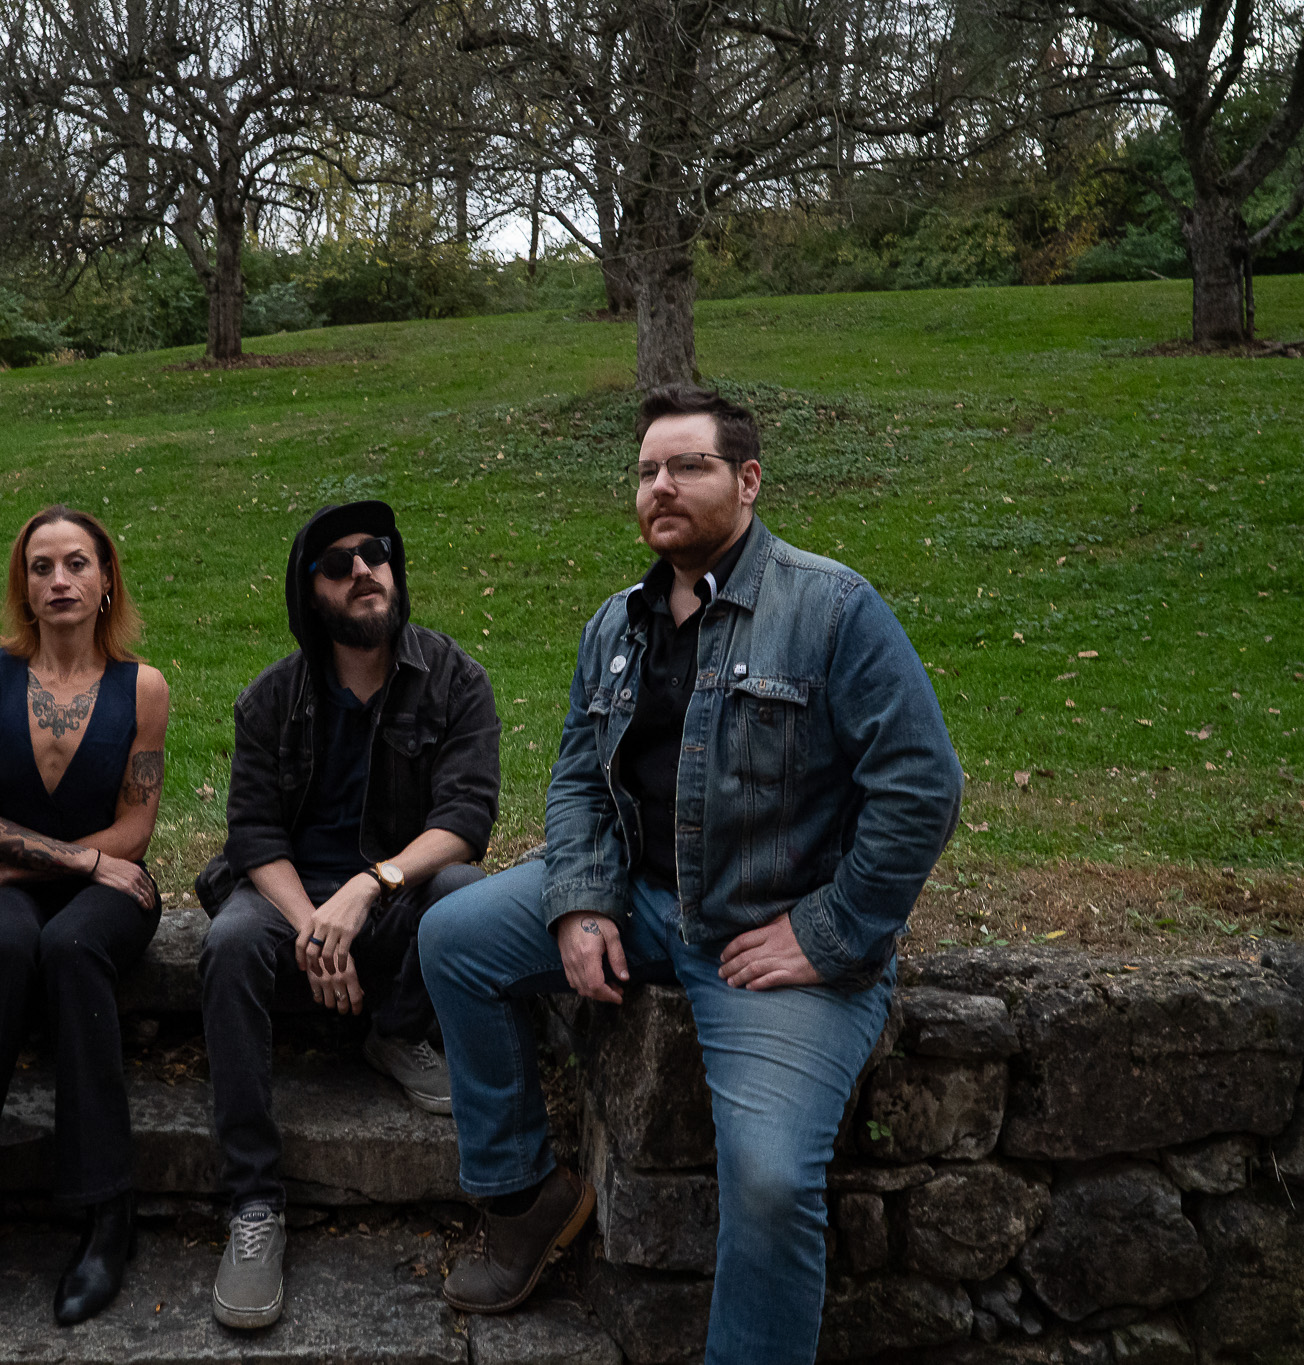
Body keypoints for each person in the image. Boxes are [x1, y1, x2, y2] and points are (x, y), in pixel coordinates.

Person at [418, 385, 963, 1360]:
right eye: (645, 471)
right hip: (639, 901)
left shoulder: (830, 608)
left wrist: (829, 931)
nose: (659, 486)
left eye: (687, 466)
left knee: (770, 1182)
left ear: (748, 481)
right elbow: (578, 780)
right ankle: (525, 1198)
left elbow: (921, 787)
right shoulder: (615, 625)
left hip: (766, 936)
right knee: (452, 935)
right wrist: (580, 904)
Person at [198, 500, 501, 1329]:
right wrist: (312, 924)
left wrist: (370, 885)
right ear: (311, 593)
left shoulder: (455, 679)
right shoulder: (270, 699)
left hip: (394, 896)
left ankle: (395, 1030)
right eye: (338, 563)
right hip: (289, 899)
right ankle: (253, 1203)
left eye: (376, 551)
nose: (363, 569)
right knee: (229, 942)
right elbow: (254, 834)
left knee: (465, 894)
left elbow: (466, 817)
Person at [0, 506, 169, 1328]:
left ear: (106, 581)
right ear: (23, 586)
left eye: (77, 564)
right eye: (41, 566)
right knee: (3, 949)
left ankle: (106, 1214)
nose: (59, 580)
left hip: (109, 891)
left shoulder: (143, 687)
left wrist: (31, 862)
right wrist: (73, 862)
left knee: (70, 947)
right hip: (47, 880)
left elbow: (133, 832)